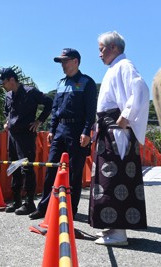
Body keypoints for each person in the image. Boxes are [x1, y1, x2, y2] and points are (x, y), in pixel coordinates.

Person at [89, 31, 149, 246]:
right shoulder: (116, 68)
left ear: (113, 47)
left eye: (101, 49)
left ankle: (119, 233)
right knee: (108, 178)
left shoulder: (124, 65)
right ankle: (112, 227)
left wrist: (126, 116)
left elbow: (140, 88)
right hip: (110, 130)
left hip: (117, 131)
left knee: (115, 179)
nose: (99, 54)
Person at [29, 48, 97, 220]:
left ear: (76, 61)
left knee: (74, 172)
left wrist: (86, 132)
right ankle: (43, 208)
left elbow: (90, 111)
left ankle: (70, 210)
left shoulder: (87, 82)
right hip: (59, 130)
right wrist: (52, 129)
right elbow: (54, 109)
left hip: (77, 131)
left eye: (65, 61)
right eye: (61, 62)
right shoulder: (60, 83)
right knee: (51, 168)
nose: (63, 65)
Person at [0, 68, 53, 215]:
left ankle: (29, 203)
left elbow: (49, 103)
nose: (2, 85)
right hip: (12, 135)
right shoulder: (8, 95)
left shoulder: (30, 92)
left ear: (12, 80)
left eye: (4, 82)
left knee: (26, 168)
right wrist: (7, 121)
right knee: (14, 166)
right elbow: (6, 112)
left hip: (26, 136)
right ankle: (16, 201)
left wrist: (39, 121)